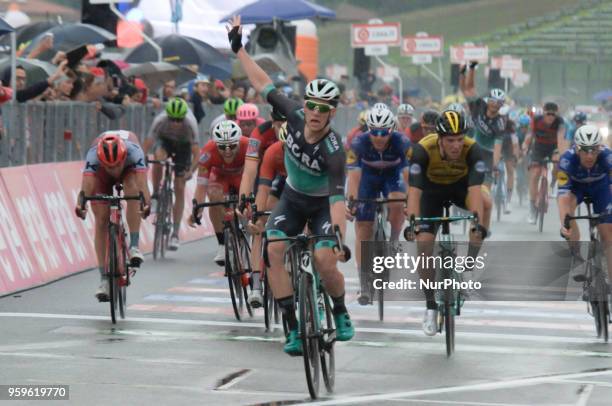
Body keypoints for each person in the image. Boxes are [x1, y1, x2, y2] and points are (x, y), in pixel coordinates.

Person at [228, 15, 353, 355]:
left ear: (331, 113)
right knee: (273, 251)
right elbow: (262, 82)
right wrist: (239, 49)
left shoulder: (334, 151)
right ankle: (292, 327)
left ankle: (340, 310)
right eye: (311, 106)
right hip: (294, 199)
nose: (314, 113)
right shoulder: (294, 115)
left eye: (323, 109)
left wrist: (339, 237)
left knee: (325, 260)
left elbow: (340, 199)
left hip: (324, 205)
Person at [405, 110, 487, 336]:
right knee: (423, 245)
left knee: (485, 204)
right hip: (431, 193)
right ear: (439, 138)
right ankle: (430, 305)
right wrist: (413, 223)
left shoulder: (473, 150)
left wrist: (476, 223)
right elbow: (414, 191)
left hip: (460, 189)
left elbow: (475, 191)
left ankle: (471, 259)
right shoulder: (422, 149)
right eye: (450, 140)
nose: (456, 146)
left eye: (460, 140)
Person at [74, 131, 151, 301]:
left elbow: (143, 185)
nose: (114, 170)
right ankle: (104, 279)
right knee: (101, 220)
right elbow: (86, 187)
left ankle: (134, 246)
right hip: (101, 176)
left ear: (124, 156)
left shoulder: (134, 152)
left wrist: (145, 203)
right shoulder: (93, 156)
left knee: (132, 189)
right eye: (110, 166)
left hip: (129, 171)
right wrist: (81, 205)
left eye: (117, 165)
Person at [346, 107, 410, 305]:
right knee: (364, 227)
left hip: (393, 176)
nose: (379, 137)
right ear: (368, 130)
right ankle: (364, 281)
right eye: (375, 132)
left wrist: (410, 202)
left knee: (398, 201)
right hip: (368, 178)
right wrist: (352, 202)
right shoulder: (358, 143)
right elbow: (354, 178)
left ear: (392, 129)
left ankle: (394, 239)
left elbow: (409, 176)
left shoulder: (403, 142)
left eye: (384, 132)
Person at [237, 107, 287, 307]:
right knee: (259, 221)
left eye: (286, 122)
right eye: (277, 123)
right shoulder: (259, 134)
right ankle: (256, 283)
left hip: (295, 177)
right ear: (270, 121)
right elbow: (249, 172)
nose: (282, 127)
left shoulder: (302, 131)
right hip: (268, 173)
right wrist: (244, 199)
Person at [143, 98, 200, 250]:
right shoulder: (160, 120)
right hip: (165, 141)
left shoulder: (190, 123)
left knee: (179, 186)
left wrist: (191, 171)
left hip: (184, 146)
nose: (175, 123)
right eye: (172, 119)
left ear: (184, 118)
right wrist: (141, 159)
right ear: (167, 116)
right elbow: (148, 142)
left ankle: (175, 234)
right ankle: (155, 195)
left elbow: (196, 153)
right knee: (158, 157)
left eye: (179, 120)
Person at [558, 125, 612, 281]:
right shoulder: (567, 160)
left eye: (594, 150)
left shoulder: (608, 156)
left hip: (600, 188)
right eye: (585, 150)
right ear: (577, 148)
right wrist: (564, 223)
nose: (589, 156)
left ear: (599, 148)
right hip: (577, 188)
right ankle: (576, 255)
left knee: (607, 231)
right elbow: (563, 195)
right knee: (568, 212)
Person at [190, 120, 249, 257]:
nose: (227, 151)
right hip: (220, 177)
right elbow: (201, 185)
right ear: (216, 144)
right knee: (214, 197)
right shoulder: (207, 152)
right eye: (222, 147)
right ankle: (222, 243)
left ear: (239, 142)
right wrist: (197, 208)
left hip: (243, 175)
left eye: (232, 146)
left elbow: (255, 176)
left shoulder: (249, 145)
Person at [460, 62, 502, 229]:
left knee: (485, 193)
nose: (495, 105)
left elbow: (497, 146)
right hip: (470, 150)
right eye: (493, 101)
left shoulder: (499, 124)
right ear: (488, 101)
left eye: (499, 103)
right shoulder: (478, 106)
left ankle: (483, 225)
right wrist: (470, 70)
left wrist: (496, 165)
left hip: (486, 157)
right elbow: (468, 89)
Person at [522, 102, 566, 224]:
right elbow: (530, 134)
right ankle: (532, 208)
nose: (551, 117)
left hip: (553, 149)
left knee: (557, 166)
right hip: (538, 149)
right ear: (543, 112)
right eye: (548, 114)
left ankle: (552, 185)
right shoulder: (536, 120)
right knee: (535, 174)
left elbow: (560, 138)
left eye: (553, 114)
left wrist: (560, 153)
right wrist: (525, 145)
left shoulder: (560, 122)